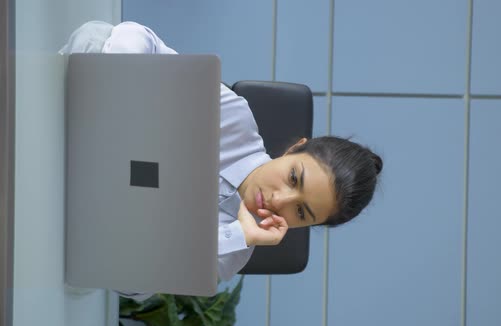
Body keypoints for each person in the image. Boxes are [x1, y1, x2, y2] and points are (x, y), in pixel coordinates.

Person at [60, 21, 382, 286]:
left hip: (67, 220)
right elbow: (138, 38)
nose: (279, 201)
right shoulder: (232, 119)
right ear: (294, 147)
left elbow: (131, 281)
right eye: (293, 178)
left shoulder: (233, 251)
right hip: (68, 121)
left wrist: (236, 234)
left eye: (301, 213)